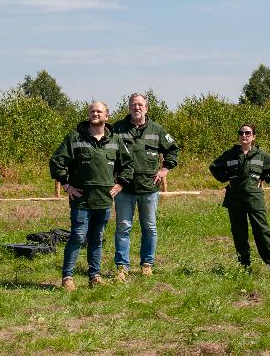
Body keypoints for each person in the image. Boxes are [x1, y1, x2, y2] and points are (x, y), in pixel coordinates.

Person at [49, 101, 134, 290]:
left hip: (103, 200)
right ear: (89, 115)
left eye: (99, 111)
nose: (95, 114)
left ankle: (94, 276)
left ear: (107, 116)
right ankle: (67, 278)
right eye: (92, 111)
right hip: (81, 200)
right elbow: (56, 161)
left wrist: (120, 184)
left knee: (97, 238)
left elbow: (128, 165)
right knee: (78, 237)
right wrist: (66, 184)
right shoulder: (75, 137)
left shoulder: (115, 140)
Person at [112, 93, 180, 279]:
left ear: (146, 108)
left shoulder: (157, 130)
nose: (137, 108)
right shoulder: (117, 129)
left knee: (149, 228)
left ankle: (147, 264)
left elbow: (173, 150)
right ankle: (122, 267)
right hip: (124, 188)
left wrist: (164, 169)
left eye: (140, 105)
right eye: (133, 105)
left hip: (149, 189)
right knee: (123, 228)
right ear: (129, 107)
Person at [209, 123, 270, 272]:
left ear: (253, 137)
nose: (244, 135)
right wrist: (227, 178)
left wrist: (264, 178)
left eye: (248, 133)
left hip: (254, 198)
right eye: (241, 133)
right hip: (235, 199)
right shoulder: (230, 154)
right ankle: (244, 264)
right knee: (239, 233)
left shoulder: (261, 154)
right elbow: (214, 167)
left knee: (261, 230)